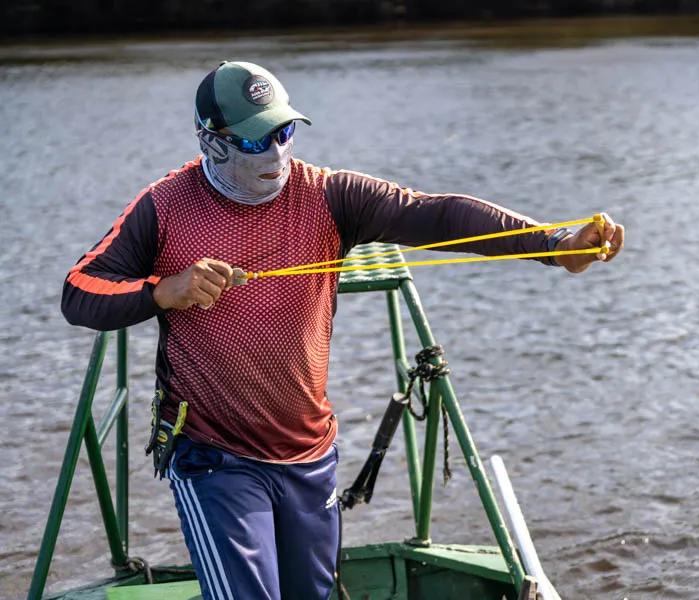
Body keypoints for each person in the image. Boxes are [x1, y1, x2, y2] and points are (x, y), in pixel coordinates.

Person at [61, 60, 624, 600]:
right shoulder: (165, 207)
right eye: (257, 139)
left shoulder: (329, 195)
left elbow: (440, 215)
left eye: (284, 131)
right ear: (212, 140)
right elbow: (79, 291)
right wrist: (162, 291)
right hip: (215, 455)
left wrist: (553, 247)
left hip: (308, 450)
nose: (277, 151)